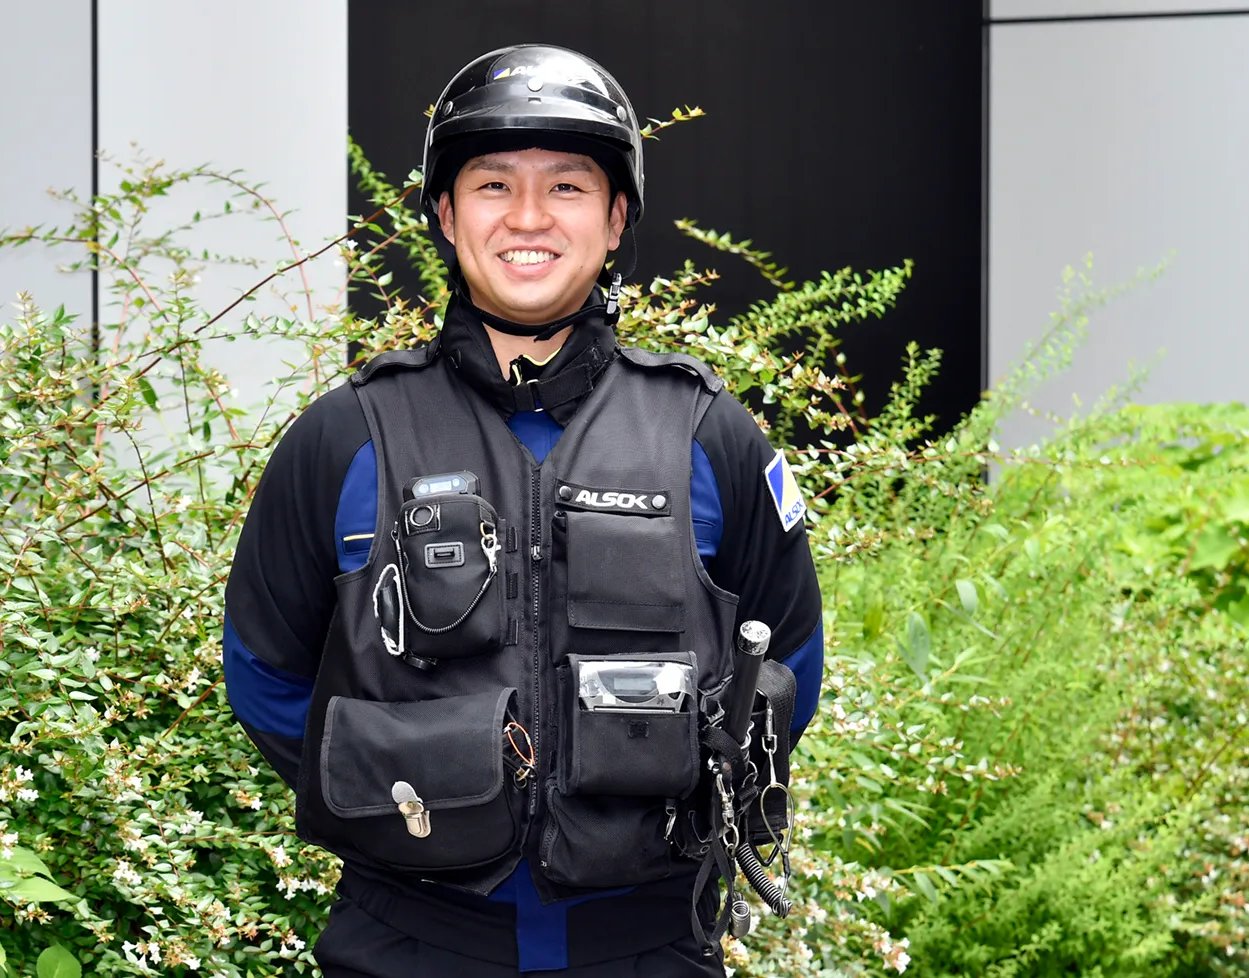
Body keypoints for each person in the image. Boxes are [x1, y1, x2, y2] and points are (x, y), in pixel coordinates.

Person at [223, 43, 824, 977]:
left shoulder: (710, 436)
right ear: (445, 213)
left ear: (616, 218)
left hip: (652, 946)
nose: (529, 217)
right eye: (494, 184)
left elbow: (789, 662)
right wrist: (408, 798)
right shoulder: (346, 436)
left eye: (568, 187)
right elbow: (264, 671)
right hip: (403, 943)